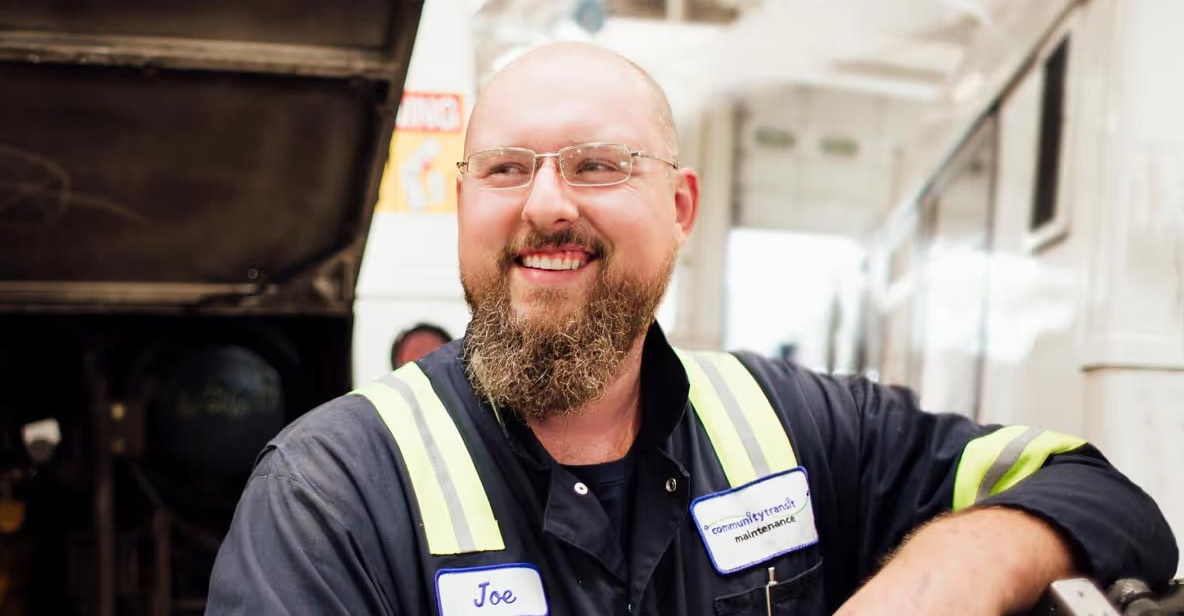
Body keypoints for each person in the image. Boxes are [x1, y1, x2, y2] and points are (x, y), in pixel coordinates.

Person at [206, 43, 1177, 615]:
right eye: (504, 170)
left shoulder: (796, 430)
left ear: (680, 207)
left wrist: (929, 585)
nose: (545, 203)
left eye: (595, 166)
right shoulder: (328, 497)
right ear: (463, 205)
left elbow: (1103, 496)